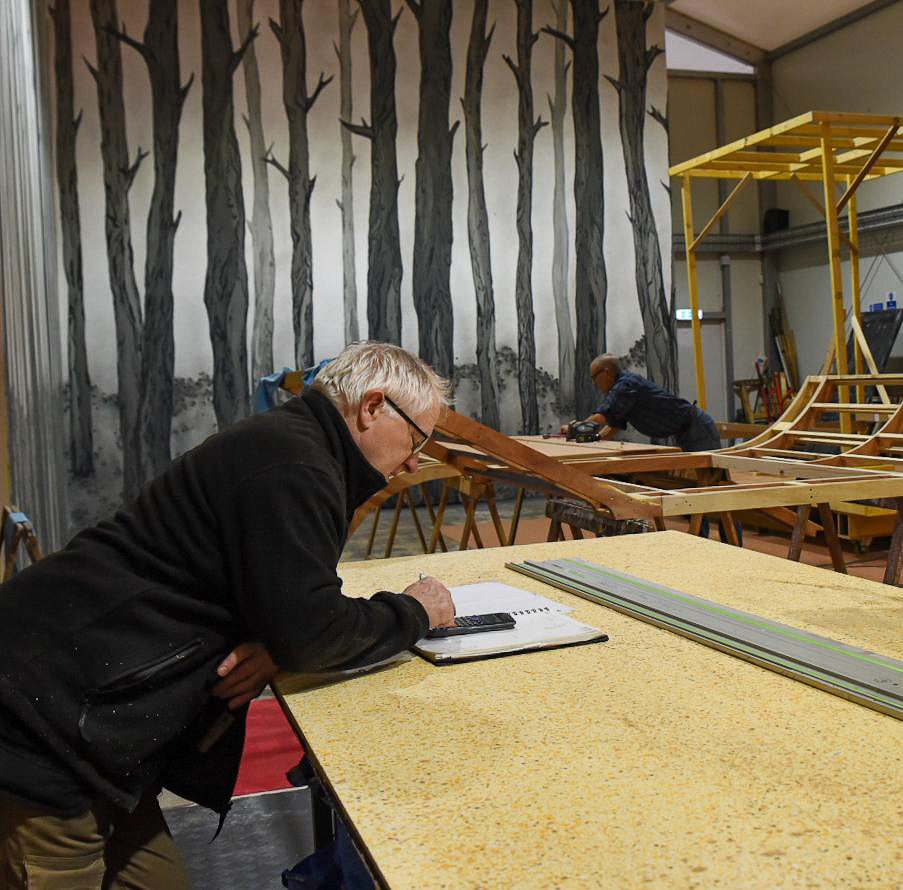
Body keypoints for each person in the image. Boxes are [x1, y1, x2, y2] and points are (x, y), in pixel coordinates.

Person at [0, 341, 456, 889]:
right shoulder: (296, 463)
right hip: (45, 724)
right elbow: (313, 633)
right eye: (417, 440)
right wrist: (416, 611)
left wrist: (276, 637)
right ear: (373, 406)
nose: (413, 461)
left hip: (103, 725)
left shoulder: (296, 447)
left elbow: (282, 605)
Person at [561, 353, 720, 452]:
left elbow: (602, 416)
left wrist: (574, 428)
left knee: (711, 481)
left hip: (697, 429)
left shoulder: (626, 385)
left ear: (607, 372)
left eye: (594, 377)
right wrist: (596, 440)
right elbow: (614, 425)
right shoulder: (623, 391)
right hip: (687, 430)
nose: (595, 382)